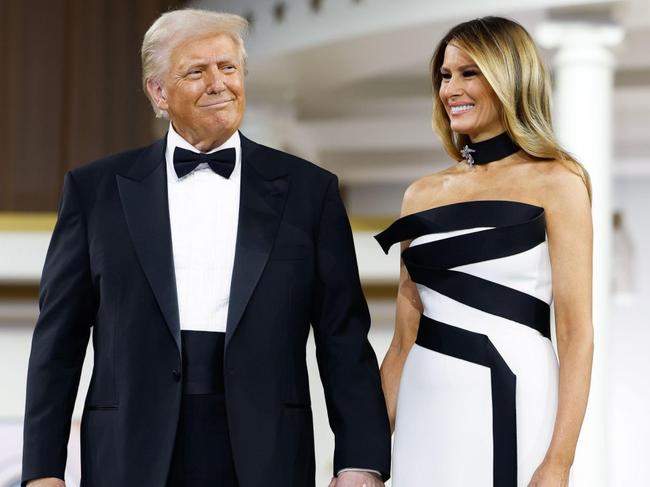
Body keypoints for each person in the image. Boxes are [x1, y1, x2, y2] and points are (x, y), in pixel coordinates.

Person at [21, 9, 390, 487]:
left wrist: (361, 460)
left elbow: (343, 338)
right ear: (158, 92)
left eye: (229, 68)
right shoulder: (95, 191)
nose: (219, 84)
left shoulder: (310, 192)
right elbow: (58, 342)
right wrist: (43, 471)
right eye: (197, 71)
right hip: (131, 450)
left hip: (267, 450)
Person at [375, 16, 593, 487]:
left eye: (468, 72)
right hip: (424, 407)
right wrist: (366, 457)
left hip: (514, 392)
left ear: (509, 77)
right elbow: (400, 343)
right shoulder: (421, 194)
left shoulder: (559, 181)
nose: (450, 88)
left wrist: (559, 463)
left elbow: (576, 332)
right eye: (445, 75)